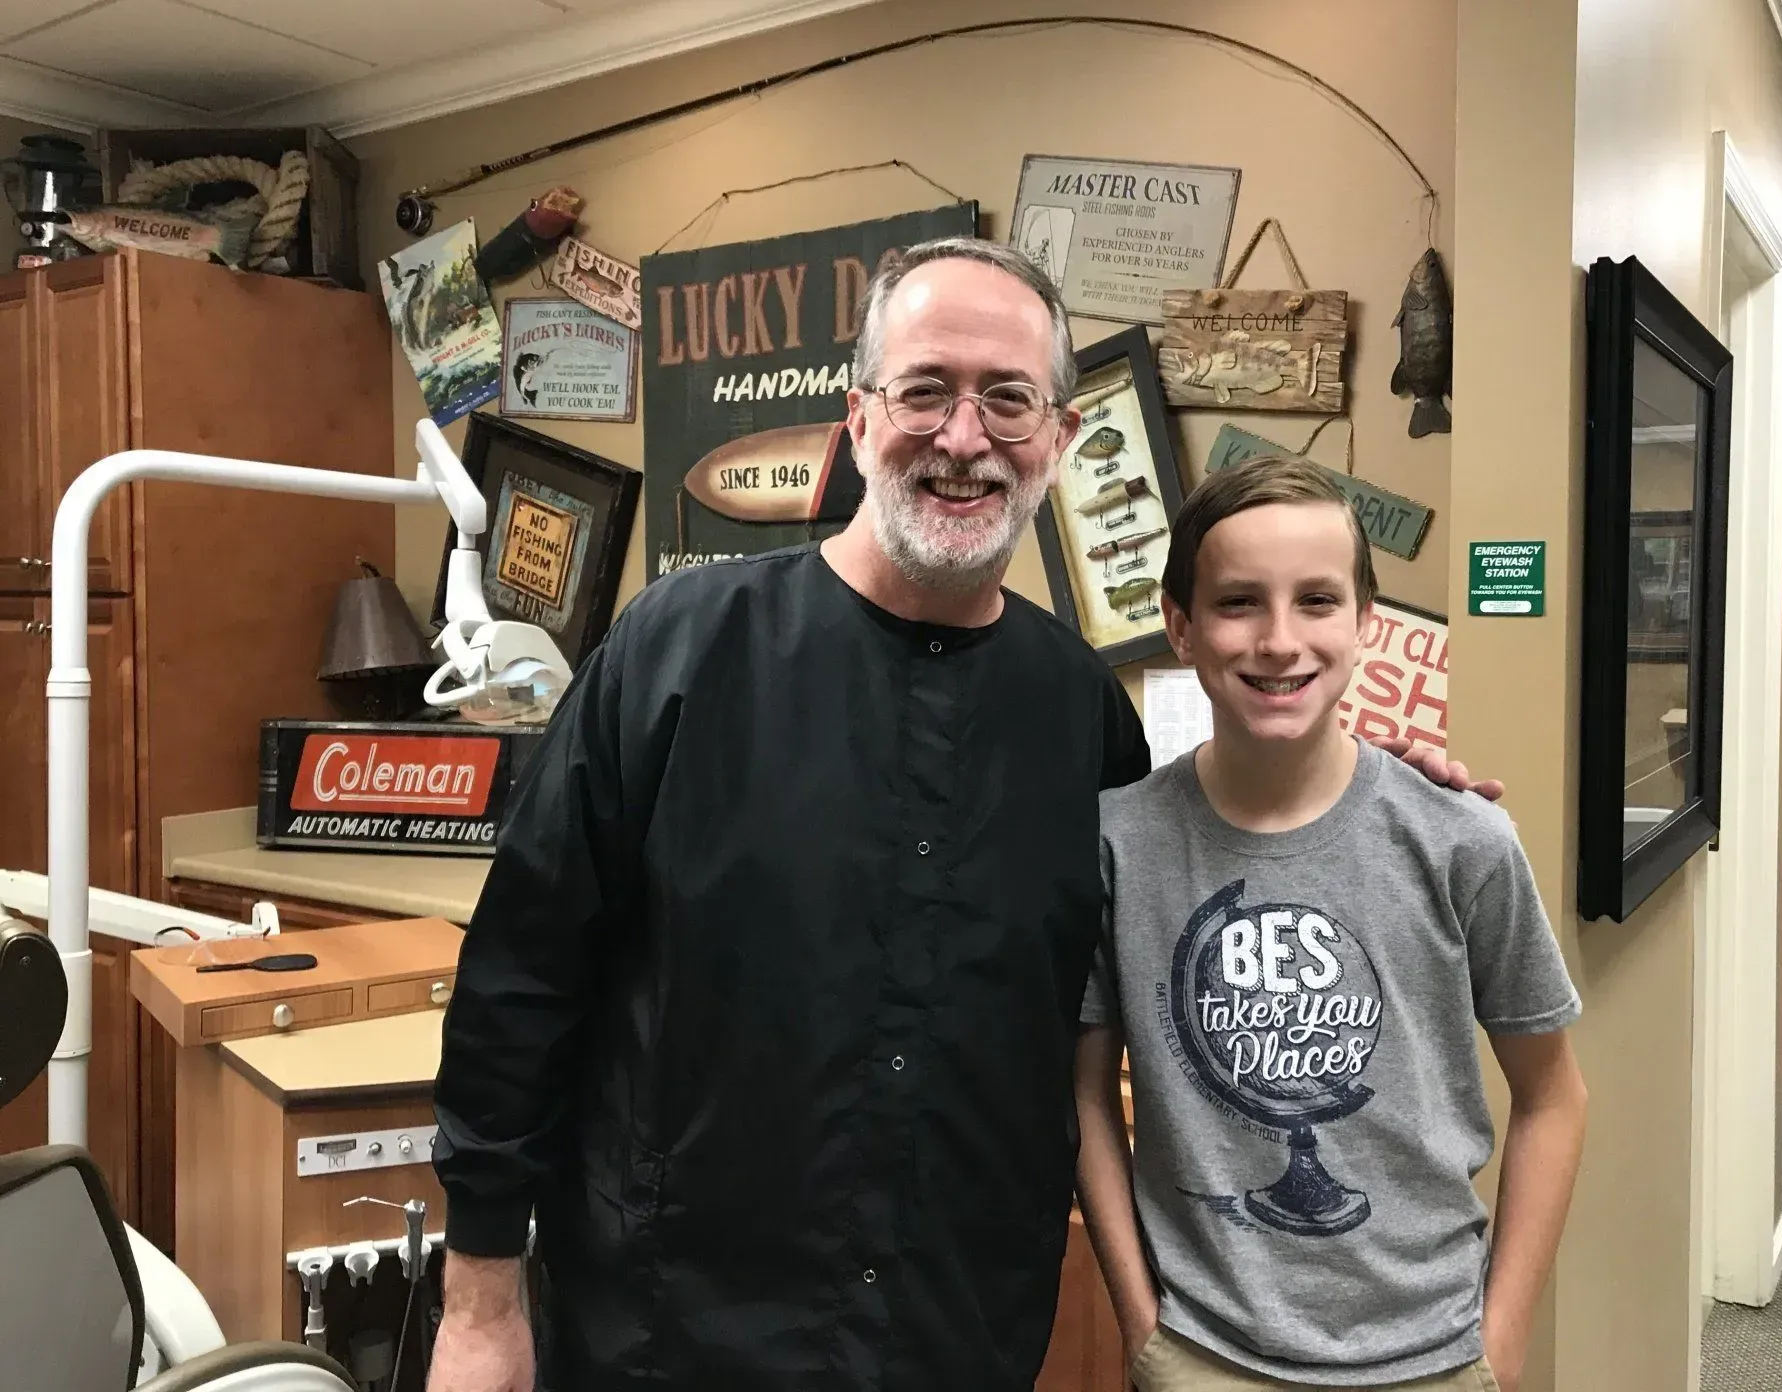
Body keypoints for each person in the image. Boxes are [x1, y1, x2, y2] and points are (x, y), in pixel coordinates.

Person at [424, 238, 1495, 1392]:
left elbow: (1223, 876)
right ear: (859, 418)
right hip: (668, 1329)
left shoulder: (1084, 718)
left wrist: (1361, 769)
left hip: (958, 1332)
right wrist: (481, 1303)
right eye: (925, 390)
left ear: (1060, 440)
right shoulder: (678, 651)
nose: (964, 437)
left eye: (1007, 399)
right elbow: (520, 980)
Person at [1073, 457, 1588, 1392]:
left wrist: (1500, 1343)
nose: (1279, 641)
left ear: (1364, 626)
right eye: (1238, 602)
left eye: (1317, 600)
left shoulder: (1461, 839)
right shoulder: (1118, 845)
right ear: (1180, 625)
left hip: (1433, 1352)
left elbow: (1553, 1099)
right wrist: (1141, 1323)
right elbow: (1082, 1093)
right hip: (1203, 1353)